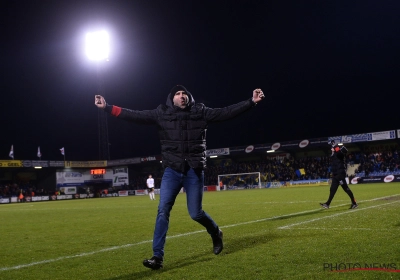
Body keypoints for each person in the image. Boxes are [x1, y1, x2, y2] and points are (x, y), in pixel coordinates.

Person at [94, 85, 265, 270]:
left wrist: (251, 102)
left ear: (189, 97)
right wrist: (107, 107)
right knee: (162, 211)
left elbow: (226, 112)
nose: (181, 96)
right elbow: (136, 115)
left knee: (196, 213)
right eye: (177, 94)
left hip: (194, 170)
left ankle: (216, 233)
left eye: (184, 93)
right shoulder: (162, 113)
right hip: (172, 170)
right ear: (172, 99)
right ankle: (157, 257)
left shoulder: (201, 112)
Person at [320, 141, 358, 210]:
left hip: (340, 174)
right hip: (336, 174)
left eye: (332, 148)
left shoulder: (340, 154)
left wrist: (335, 146)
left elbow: (341, 151)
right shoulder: (335, 154)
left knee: (346, 189)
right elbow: (332, 155)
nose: (331, 149)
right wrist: (333, 147)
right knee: (332, 189)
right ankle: (327, 204)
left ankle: (354, 203)